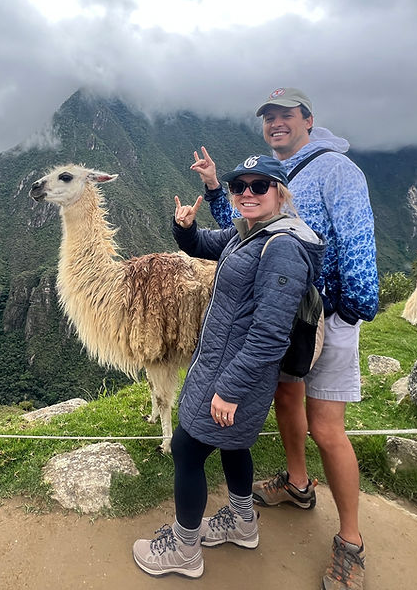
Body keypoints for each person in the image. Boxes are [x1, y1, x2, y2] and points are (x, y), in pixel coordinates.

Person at [190, 88, 379, 590]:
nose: (276, 123)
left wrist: (351, 308)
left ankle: (351, 541)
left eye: (286, 116)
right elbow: (244, 231)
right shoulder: (277, 173)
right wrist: (216, 188)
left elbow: (357, 237)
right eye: (269, 117)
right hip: (285, 318)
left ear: (308, 120)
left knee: (328, 428)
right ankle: (297, 484)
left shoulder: (338, 170)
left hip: (327, 314)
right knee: (287, 400)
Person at [132, 154, 325, 578]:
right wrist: (184, 228)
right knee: (235, 444)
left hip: (235, 373)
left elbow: (271, 334)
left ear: (280, 192)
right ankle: (242, 523)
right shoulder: (249, 233)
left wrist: (231, 389)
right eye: (240, 187)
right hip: (221, 363)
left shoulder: (283, 248)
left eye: (259, 186)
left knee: (187, 450)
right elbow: (203, 246)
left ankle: (184, 549)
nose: (247, 193)